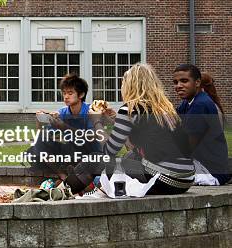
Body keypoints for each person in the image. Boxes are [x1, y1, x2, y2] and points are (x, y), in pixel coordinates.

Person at [66, 63, 195, 195]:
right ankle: (98, 191)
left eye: (123, 83)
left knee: (93, 160)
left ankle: (59, 193)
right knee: (130, 155)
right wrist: (115, 121)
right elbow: (136, 146)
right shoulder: (165, 108)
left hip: (164, 179)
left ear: (130, 85)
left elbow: (108, 152)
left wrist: (96, 121)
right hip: (185, 180)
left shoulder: (130, 109)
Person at [27, 74, 112, 178]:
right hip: (71, 153)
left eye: (70, 93)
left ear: (81, 95)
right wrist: (40, 122)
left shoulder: (90, 111)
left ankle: (71, 174)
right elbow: (43, 139)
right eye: (64, 93)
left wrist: (64, 127)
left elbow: (91, 137)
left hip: (90, 152)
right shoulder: (62, 112)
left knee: (70, 145)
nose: (66, 96)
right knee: (36, 147)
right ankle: (63, 176)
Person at [174, 64, 230, 185]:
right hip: (200, 166)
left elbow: (186, 148)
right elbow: (171, 121)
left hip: (209, 172)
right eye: (176, 82)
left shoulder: (200, 104)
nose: (178, 86)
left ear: (198, 82)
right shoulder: (189, 102)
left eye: (184, 81)